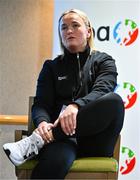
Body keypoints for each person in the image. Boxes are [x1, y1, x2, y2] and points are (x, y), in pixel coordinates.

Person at [3, 9, 125, 179]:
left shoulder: (104, 61)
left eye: (75, 25)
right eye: (64, 27)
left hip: (95, 139)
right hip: (62, 141)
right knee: (57, 160)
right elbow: (41, 104)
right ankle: (45, 136)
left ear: (88, 31)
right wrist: (43, 123)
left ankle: (37, 141)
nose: (69, 30)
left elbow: (103, 89)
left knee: (114, 101)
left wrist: (75, 106)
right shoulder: (51, 67)